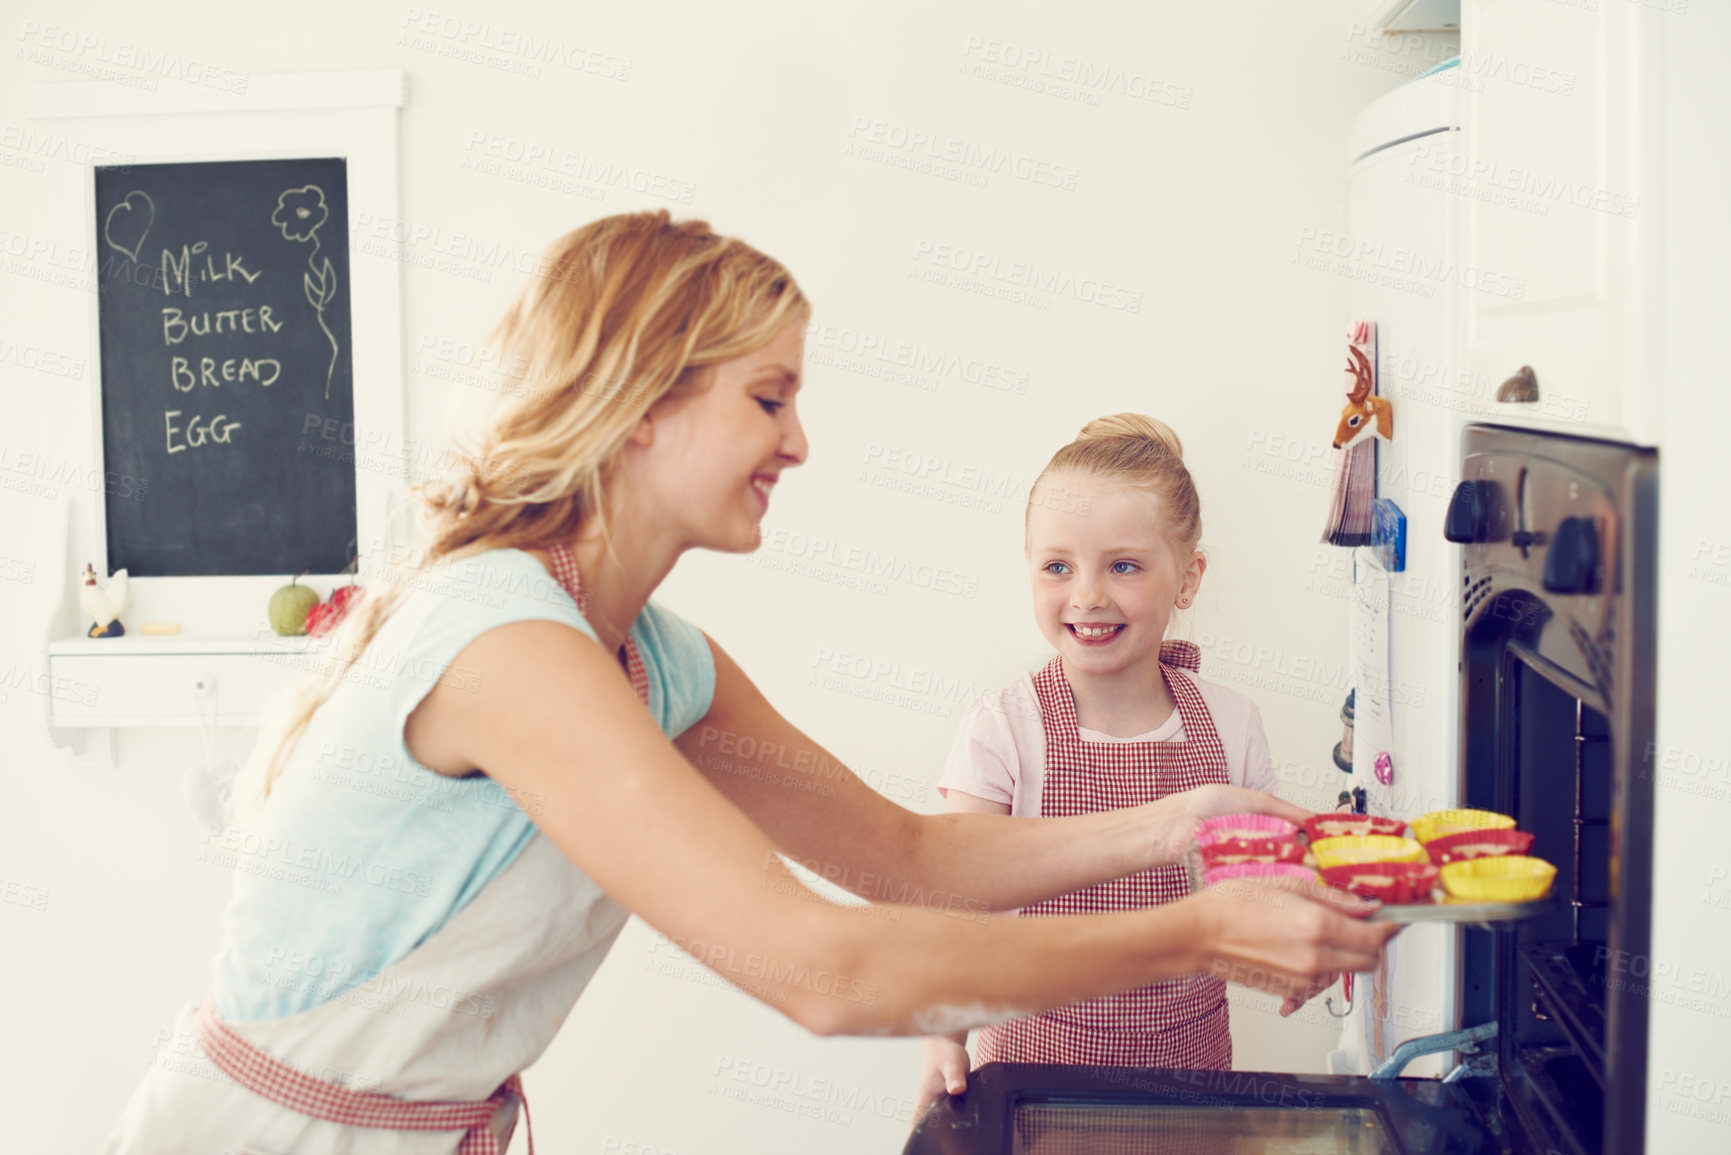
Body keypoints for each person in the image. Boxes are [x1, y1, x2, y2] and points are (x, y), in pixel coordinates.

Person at [105, 212, 1397, 1154]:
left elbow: (904, 856)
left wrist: (1181, 823)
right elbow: (821, 967)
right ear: (639, 404)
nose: (797, 440)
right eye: (767, 396)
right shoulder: (501, 645)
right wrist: (1191, 927)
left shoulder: (657, 660)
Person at [915, 415, 1299, 1118]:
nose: (1087, 594)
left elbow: (1256, 890)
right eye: (1057, 565)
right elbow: (955, 901)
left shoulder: (1233, 724)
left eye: (1122, 565)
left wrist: (1286, 934)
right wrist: (944, 1036)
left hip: (1191, 1084)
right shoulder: (1003, 725)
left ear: (1187, 578)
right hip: (1034, 1081)